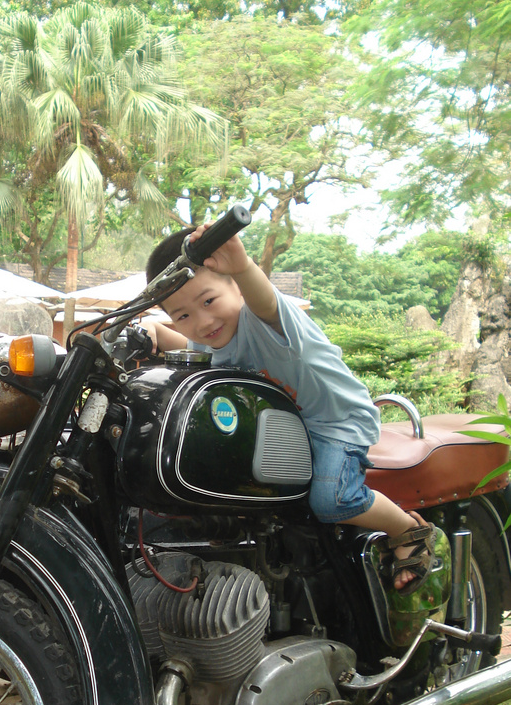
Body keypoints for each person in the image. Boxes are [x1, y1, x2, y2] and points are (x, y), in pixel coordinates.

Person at [143, 222, 434, 595]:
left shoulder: (263, 320)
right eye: (183, 315)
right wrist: (152, 330)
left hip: (336, 421)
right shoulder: (213, 338)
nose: (203, 322)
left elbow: (263, 301)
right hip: (287, 431)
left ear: (235, 286)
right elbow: (184, 343)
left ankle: (406, 529)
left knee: (331, 499)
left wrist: (244, 266)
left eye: (209, 301)